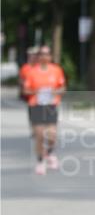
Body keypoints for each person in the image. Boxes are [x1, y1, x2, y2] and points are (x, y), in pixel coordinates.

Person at [22, 44, 66, 175]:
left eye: (47, 54)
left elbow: (63, 88)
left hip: (51, 105)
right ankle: (40, 161)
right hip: (36, 105)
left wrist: (55, 91)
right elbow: (25, 90)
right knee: (40, 135)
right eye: (42, 54)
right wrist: (36, 91)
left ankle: (50, 153)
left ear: (50, 56)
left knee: (52, 134)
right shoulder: (31, 71)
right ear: (38, 56)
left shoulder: (56, 70)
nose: (44, 56)